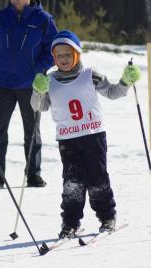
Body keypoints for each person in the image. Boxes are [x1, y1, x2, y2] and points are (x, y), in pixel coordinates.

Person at [31, 30, 141, 238]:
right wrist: (38, 90)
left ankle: (107, 217)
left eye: (67, 55)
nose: (63, 60)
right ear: (54, 58)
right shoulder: (50, 80)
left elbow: (112, 92)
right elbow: (39, 107)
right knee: (72, 182)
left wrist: (126, 81)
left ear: (77, 54)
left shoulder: (90, 74)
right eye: (59, 56)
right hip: (67, 138)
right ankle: (70, 222)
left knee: (97, 178)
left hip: (93, 136)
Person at [0, 0, 58, 188]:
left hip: (30, 86)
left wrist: (39, 71)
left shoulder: (43, 20)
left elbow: (53, 50)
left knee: (32, 131)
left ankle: (33, 174)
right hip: (2, 84)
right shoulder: (0, 19)